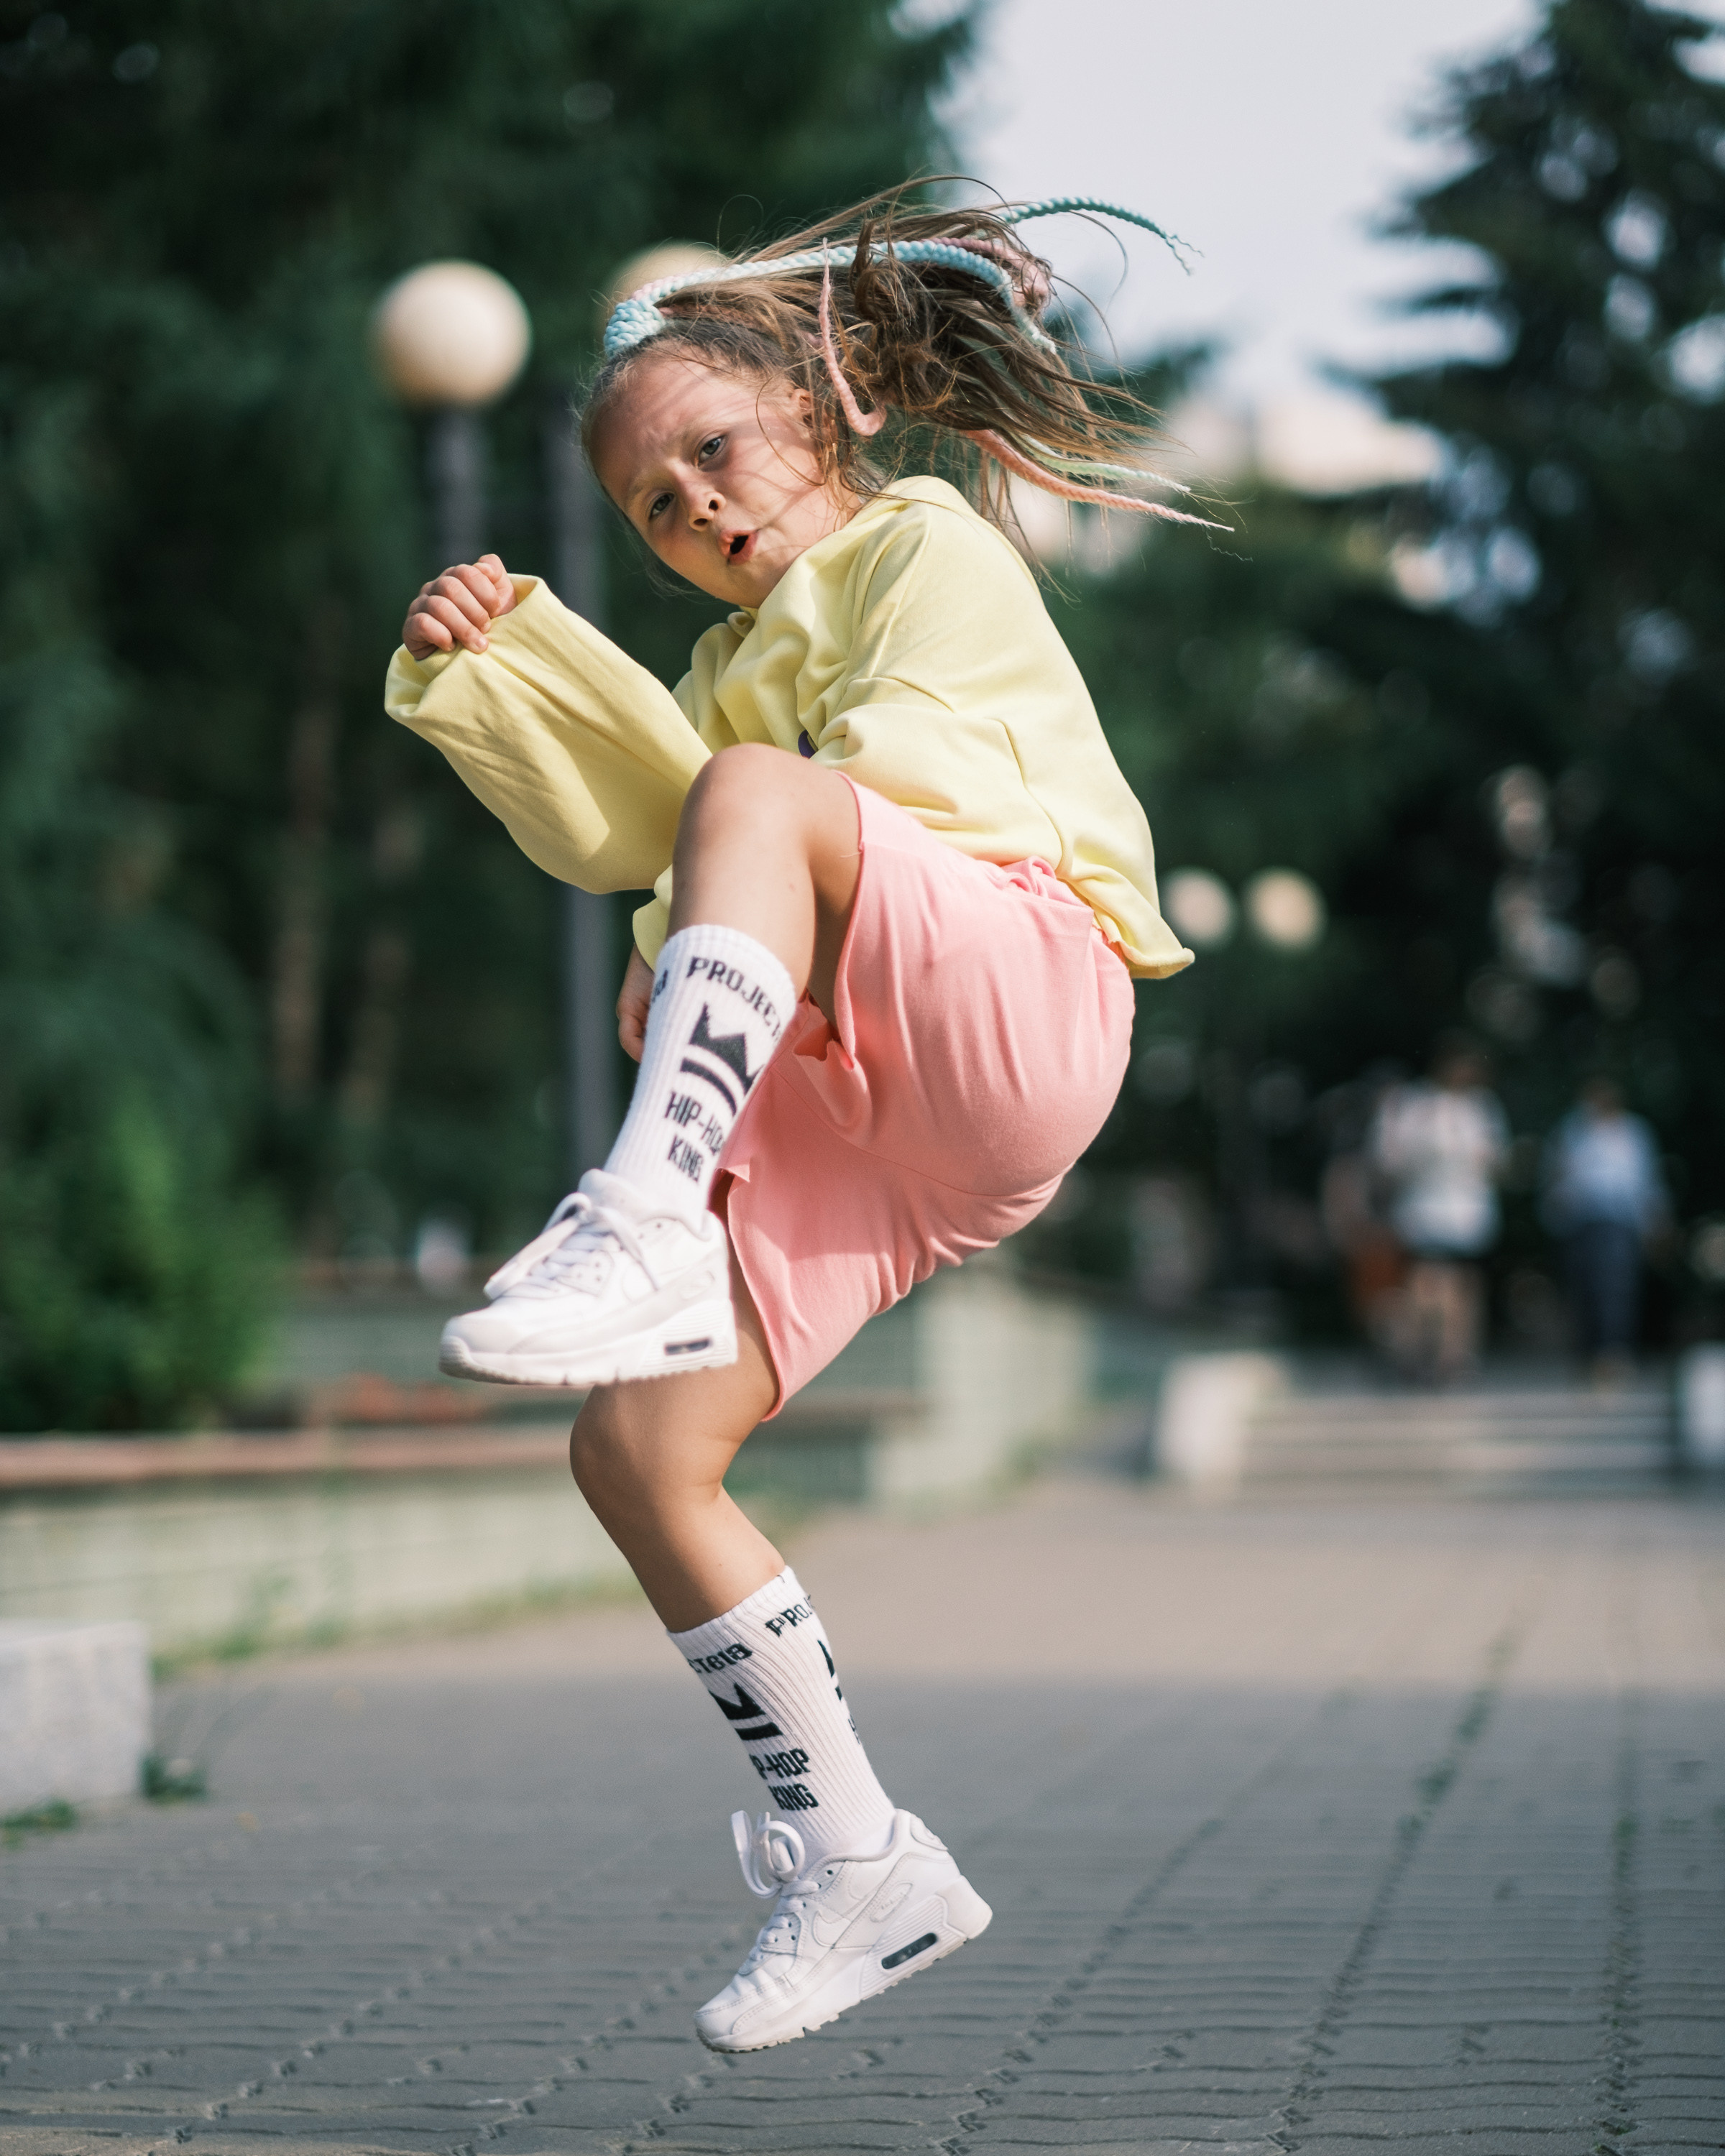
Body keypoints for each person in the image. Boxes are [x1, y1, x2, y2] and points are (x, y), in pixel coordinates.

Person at [382, 192, 1206, 2053]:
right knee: (635, 1451)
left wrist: (699, 910)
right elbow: (631, 816)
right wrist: (498, 658)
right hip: (874, 1116)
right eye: (654, 510)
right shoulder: (717, 680)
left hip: (1016, 992)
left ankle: (643, 1215)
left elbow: (861, 784)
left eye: (716, 453)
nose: (700, 511)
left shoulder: (924, 546)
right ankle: (860, 1859)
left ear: (821, 415)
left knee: (756, 791)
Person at [1367, 1040, 1508, 1384]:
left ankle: (1456, 1356)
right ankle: (1423, 1353)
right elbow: (1391, 1160)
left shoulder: (1481, 1108)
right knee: (1428, 1284)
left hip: (1469, 1214)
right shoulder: (1417, 1106)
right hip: (1426, 1212)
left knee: (1464, 1285)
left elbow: (1495, 1161)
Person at [1542, 1078, 1668, 1382]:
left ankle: (1613, 1352)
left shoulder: (1633, 1132)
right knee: (1585, 1288)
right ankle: (1588, 1354)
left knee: (1616, 1288)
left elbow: (1646, 1182)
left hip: (1618, 1221)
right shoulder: (1572, 1132)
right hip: (1581, 1222)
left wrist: (1655, 1222)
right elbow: (1556, 1178)